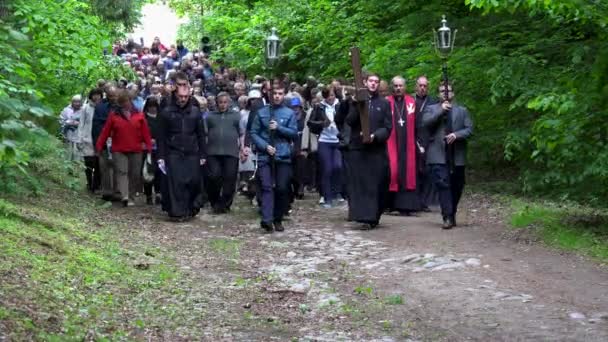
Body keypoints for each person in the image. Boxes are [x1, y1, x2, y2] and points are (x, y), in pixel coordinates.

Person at [343, 73, 392, 228]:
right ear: (365, 82)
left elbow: (387, 127)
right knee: (361, 184)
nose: (373, 84)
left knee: (378, 182)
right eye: (371, 81)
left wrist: (374, 136)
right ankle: (364, 217)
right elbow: (349, 121)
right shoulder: (356, 101)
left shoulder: (384, 104)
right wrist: (357, 105)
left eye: (376, 82)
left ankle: (374, 215)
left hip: (376, 149)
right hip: (358, 148)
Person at [423, 83, 473, 229]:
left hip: (457, 154)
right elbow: (425, 124)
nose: (445, 93)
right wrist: (440, 111)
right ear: (438, 94)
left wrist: (456, 135)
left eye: (448, 91)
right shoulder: (430, 109)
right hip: (438, 154)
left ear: (453, 93)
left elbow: (469, 129)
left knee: (457, 185)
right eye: (442, 91)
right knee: (443, 185)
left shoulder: (462, 111)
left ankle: (452, 212)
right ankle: (447, 216)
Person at [250, 84, 298, 232]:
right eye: (275, 93)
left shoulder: (289, 113)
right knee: (266, 187)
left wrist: (279, 128)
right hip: (265, 156)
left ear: (284, 95)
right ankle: (267, 219)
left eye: (280, 93)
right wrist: (265, 146)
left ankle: (278, 217)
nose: (277, 96)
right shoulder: (262, 112)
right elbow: (254, 132)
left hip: (283, 156)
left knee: (282, 188)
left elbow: (294, 134)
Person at [157, 83, 207, 221]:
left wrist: (203, 153)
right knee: (176, 183)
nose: (183, 99)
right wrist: (160, 156)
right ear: (175, 95)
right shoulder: (166, 112)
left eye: (186, 96)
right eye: (180, 96)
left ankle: (191, 207)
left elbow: (201, 134)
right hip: (173, 152)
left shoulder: (195, 112)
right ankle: (177, 211)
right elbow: (161, 136)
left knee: (193, 181)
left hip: (192, 152)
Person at [96, 90, 153, 207]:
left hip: (136, 149)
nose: (124, 105)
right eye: (121, 103)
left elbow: (146, 132)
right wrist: (99, 145)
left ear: (130, 101)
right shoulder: (114, 115)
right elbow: (105, 131)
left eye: (125, 102)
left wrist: (149, 146)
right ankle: (125, 195)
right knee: (122, 172)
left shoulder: (139, 115)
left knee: (135, 174)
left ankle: (131, 196)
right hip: (119, 149)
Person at [386, 76, 421, 214]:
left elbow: (418, 124)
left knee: (407, 171)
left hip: (408, 144)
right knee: (393, 171)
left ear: (405, 87)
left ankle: (407, 206)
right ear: (392, 87)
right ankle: (391, 204)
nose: (398, 88)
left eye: (401, 86)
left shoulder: (412, 102)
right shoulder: (387, 102)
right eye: (396, 86)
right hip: (392, 143)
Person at [205, 92, 241, 214]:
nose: (223, 105)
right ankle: (214, 201)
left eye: (225, 102)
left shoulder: (236, 116)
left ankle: (225, 203)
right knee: (214, 176)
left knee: (230, 178)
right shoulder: (210, 116)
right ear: (216, 103)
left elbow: (241, 133)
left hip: (231, 152)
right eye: (220, 102)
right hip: (213, 152)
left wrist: (243, 148)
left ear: (229, 103)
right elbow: (204, 134)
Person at [307, 86, 343, 208]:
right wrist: (322, 124)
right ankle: (327, 197)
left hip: (338, 140)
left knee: (338, 166)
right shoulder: (319, 107)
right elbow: (310, 123)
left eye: (332, 96)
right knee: (327, 169)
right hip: (324, 141)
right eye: (328, 96)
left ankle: (337, 192)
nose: (330, 98)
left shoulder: (340, 105)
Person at [414, 76, 439, 211]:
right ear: (416, 86)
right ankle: (415, 200)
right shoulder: (411, 101)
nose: (423, 88)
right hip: (413, 138)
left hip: (429, 139)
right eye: (420, 85)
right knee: (415, 170)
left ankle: (426, 201)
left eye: (425, 86)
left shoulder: (433, 101)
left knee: (427, 171)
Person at [93, 85, 119, 201]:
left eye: (115, 96)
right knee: (104, 167)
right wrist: (97, 143)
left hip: (119, 142)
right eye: (110, 96)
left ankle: (117, 191)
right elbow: (96, 127)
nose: (113, 98)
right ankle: (107, 191)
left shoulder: (123, 108)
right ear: (107, 96)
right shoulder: (100, 108)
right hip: (104, 142)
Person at [78, 88, 104, 193]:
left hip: (99, 139)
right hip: (87, 138)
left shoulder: (102, 108)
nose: (96, 96)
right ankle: (89, 182)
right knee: (88, 163)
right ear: (91, 96)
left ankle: (96, 185)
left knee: (98, 163)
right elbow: (81, 123)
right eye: (94, 94)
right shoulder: (85, 108)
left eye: (98, 94)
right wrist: (80, 138)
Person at [143, 97, 162, 205]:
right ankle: (148, 195)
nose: (153, 109)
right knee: (148, 172)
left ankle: (158, 193)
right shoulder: (144, 118)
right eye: (151, 106)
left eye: (154, 106)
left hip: (159, 148)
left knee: (159, 172)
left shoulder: (161, 118)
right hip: (147, 149)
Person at [59, 95, 84, 161]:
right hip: (67, 134)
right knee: (67, 152)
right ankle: (66, 165)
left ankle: (75, 166)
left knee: (77, 153)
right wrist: (67, 123)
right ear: (72, 102)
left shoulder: (84, 110)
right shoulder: (66, 110)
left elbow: (87, 123)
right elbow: (61, 120)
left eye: (79, 102)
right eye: (75, 102)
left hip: (79, 135)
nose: (77, 103)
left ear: (81, 102)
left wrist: (78, 124)